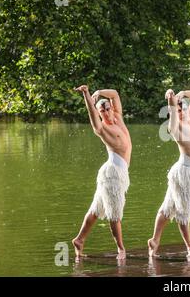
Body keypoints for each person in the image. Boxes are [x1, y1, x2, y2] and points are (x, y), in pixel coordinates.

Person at [72, 86, 132, 261]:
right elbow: (94, 119)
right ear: (99, 114)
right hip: (112, 174)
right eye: (102, 111)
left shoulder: (118, 118)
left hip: (116, 172)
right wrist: (87, 96)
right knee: (115, 213)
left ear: (111, 108)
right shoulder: (102, 128)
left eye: (107, 108)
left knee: (96, 209)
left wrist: (100, 93)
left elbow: (115, 94)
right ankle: (121, 249)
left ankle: (79, 239)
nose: (106, 112)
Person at [148, 90, 190, 259]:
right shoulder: (176, 127)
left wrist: (183, 93)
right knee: (183, 213)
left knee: (168, 207)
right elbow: (172, 117)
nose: (181, 112)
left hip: (183, 170)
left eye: (183, 108)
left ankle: (155, 240)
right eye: (178, 111)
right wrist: (171, 100)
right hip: (185, 173)